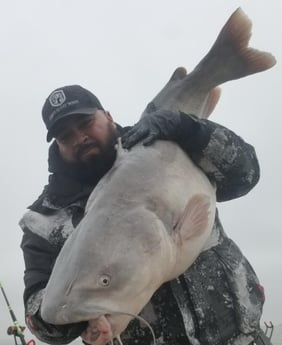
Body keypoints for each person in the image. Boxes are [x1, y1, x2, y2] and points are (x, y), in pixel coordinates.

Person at [20, 84, 265, 345]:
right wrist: (78, 313)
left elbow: (244, 176)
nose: (79, 138)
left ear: (108, 116)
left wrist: (190, 129)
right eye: (65, 136)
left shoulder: (167, 141)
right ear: (57, 145)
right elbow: (38, 313)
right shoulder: (43, 221)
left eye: (86, 123)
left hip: (243, 336)